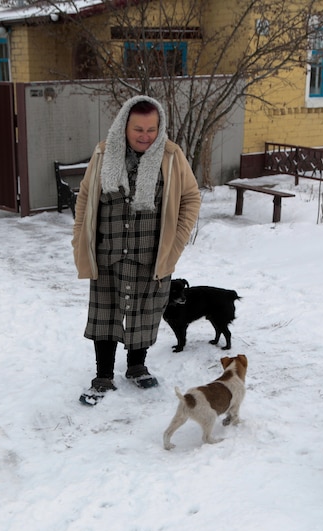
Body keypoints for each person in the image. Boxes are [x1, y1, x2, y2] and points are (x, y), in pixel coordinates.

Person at [72, 95, 201, 406]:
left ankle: (137, 367)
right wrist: (79, 239)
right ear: (124, 126)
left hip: (151, 255)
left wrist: (176, 243)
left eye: (151, 129)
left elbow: (191, 198)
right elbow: (86, 197)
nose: (145, 136)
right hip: (107, 252)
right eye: (138, 129)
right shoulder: (104, 154)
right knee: (105, 314)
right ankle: (103, 375)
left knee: (144, 314)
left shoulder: (171, 156)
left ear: (160, 128)